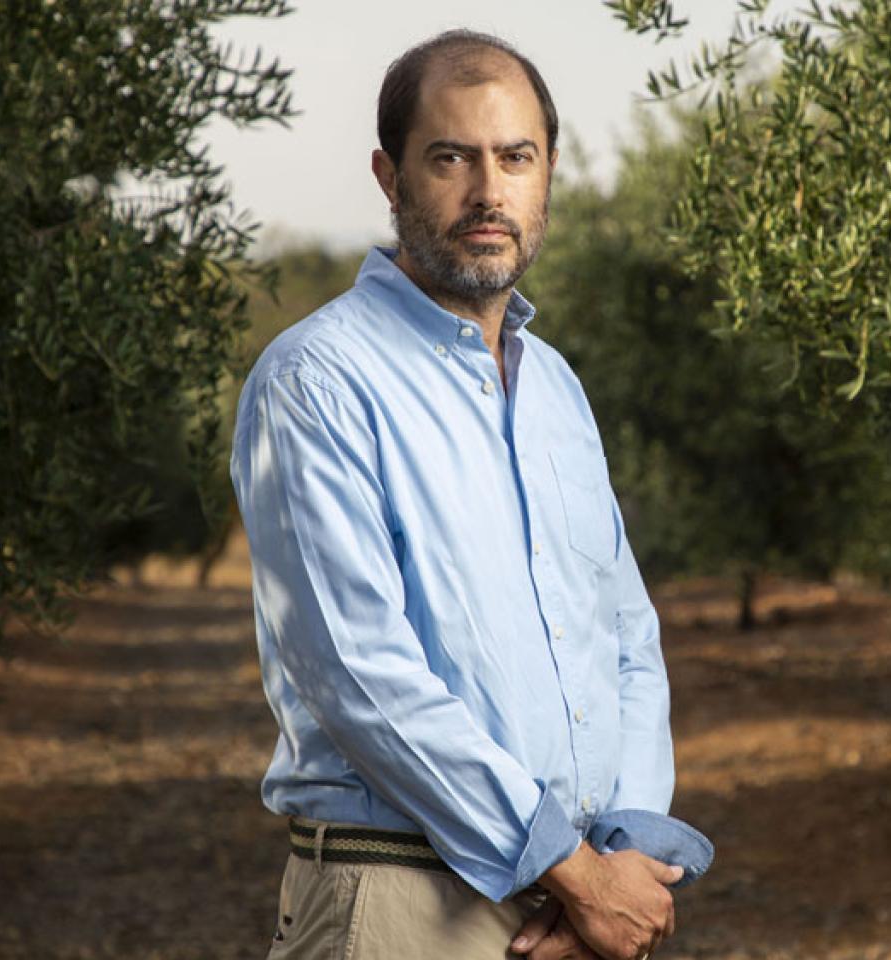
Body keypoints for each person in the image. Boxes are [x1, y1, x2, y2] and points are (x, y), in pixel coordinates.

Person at [230, 29, 711, 960]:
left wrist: (624, 860)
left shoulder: (555, 387)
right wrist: (577, 877)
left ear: (549, 172)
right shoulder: (316, 382)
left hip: (580, 909)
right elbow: (359, 674)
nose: (490, 191)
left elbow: (626, 639)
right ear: (390, 176)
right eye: (452, 158)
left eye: (516, 158)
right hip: (402, 905)